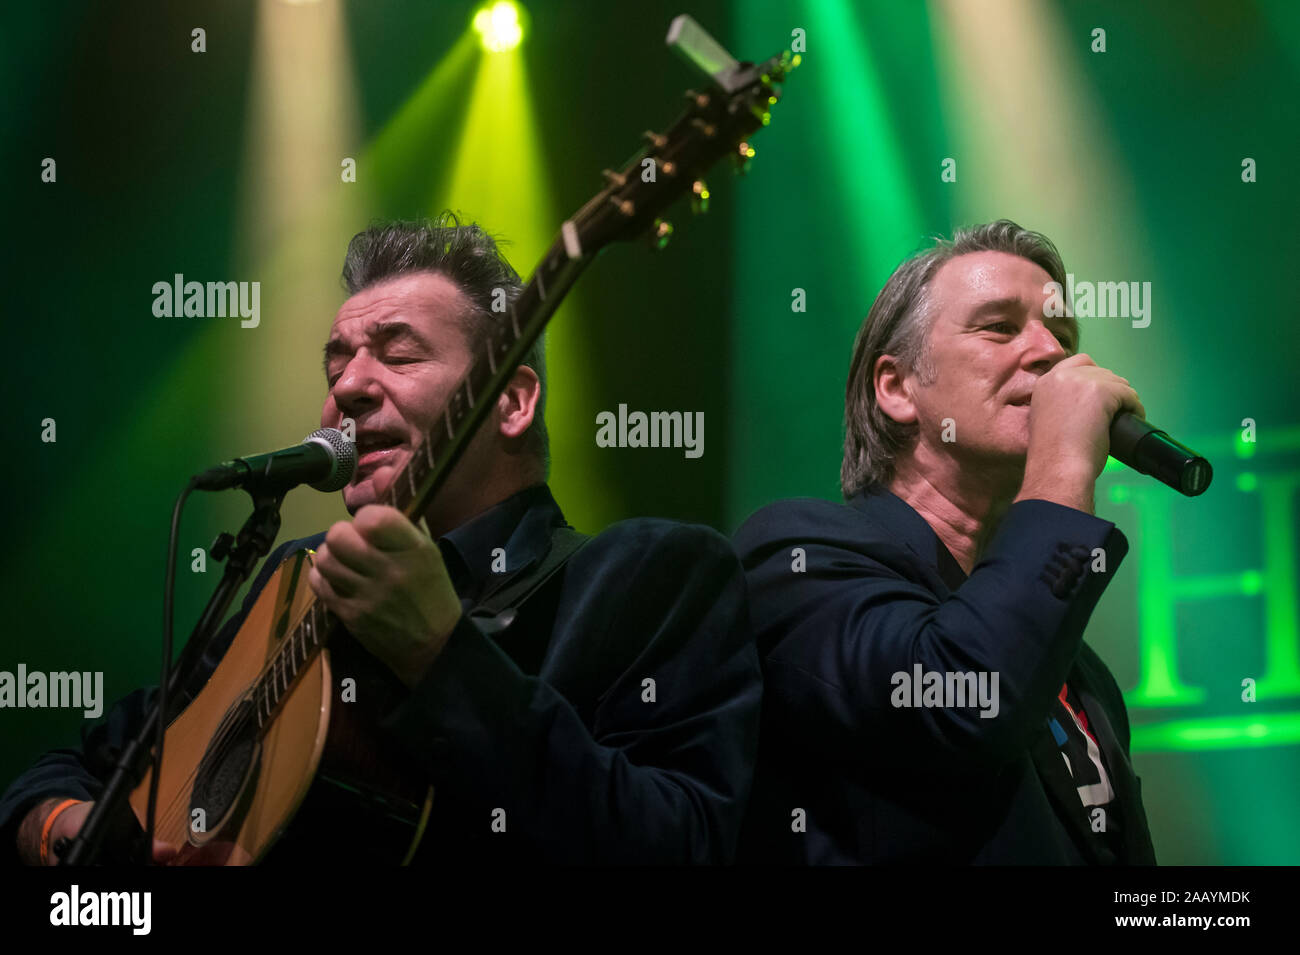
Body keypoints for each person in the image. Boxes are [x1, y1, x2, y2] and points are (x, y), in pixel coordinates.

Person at [1, 213, 760, 865]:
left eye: (398, 354)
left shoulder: (650, 574)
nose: (350, 386)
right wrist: (70, 833)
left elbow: (683, 843)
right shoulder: (295, 580)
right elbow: (72, 766)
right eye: (337, 363)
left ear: (513, 401)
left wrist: (443, 656)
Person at [734, 220, 1156, 864]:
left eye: (1063, 335)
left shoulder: (1081, 671)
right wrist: (1063, 468)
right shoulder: (799, 555)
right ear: (897, 388)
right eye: (999, 327)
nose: (1051, 353)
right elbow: (964, 702)